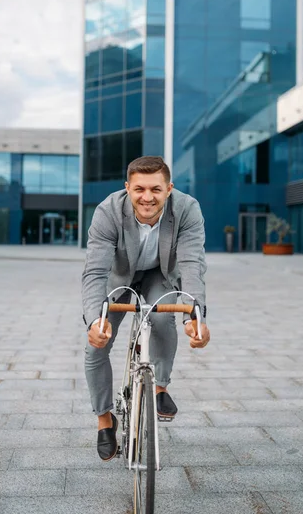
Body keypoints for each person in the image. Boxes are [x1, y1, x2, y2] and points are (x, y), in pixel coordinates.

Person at [82, 155, 210, 461]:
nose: (147, 197)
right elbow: (95, 271)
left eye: (155, 189)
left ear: (169, 189)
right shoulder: (108, 211)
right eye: (139, 189)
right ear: (128, 188)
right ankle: (104, 421)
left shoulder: (187, 209)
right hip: (118, 277)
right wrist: (93, 321)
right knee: (96, 345)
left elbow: (193, 264)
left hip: (161, 274)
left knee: (162, 317)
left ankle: (159, 389)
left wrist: (196, 315)